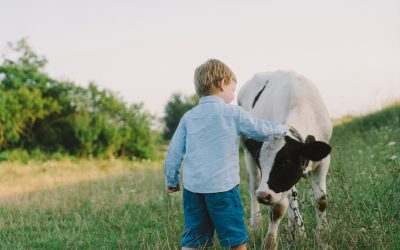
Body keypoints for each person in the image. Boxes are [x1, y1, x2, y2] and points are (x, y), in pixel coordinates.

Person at [164, 59, 288, 250]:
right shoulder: (233, 113)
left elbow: (174, 152)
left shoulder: (188, 116)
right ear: (223, 83)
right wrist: (282, 129)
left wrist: (171, 180)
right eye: (232, 88)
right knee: (235, 239)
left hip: (193, 189)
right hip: (222, 188)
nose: (233, 93)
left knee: (193, 238)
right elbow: (258, 129)